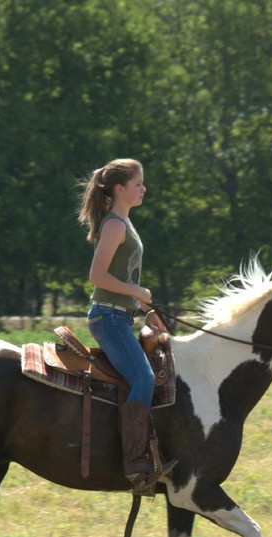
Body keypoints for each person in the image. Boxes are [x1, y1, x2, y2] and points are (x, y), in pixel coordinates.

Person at [78, 158, 174, 494]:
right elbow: (97, 276)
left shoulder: (125, 223)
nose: (143, 189)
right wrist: (135, 291)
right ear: (120, 189)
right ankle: (135, 466)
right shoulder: (115, 225)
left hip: (121, 315)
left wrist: (143, 303)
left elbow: (122, 276)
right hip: (108, 318)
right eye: (138, 184)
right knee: (144, 377)